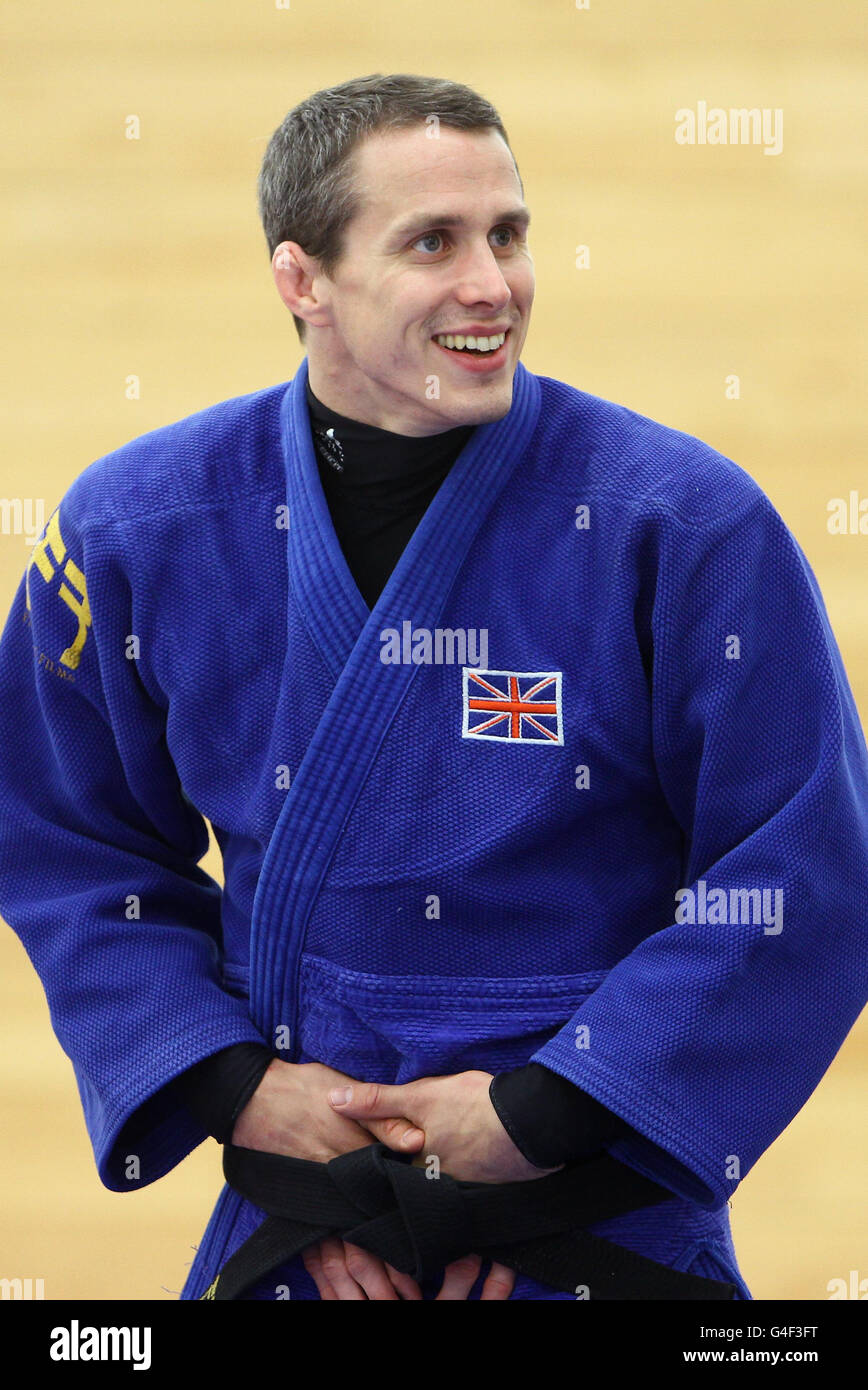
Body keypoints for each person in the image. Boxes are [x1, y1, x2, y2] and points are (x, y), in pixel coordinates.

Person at [1, 73, 866, 1302]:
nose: (491, 286)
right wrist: (238, 1091)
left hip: (599, 1230)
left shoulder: (684, 526)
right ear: (303, 279)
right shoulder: (137, 527)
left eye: (507, 235)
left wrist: (541, 1115)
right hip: (303, 1231)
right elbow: (60, 839)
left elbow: (805, 869)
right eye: (431, 243)